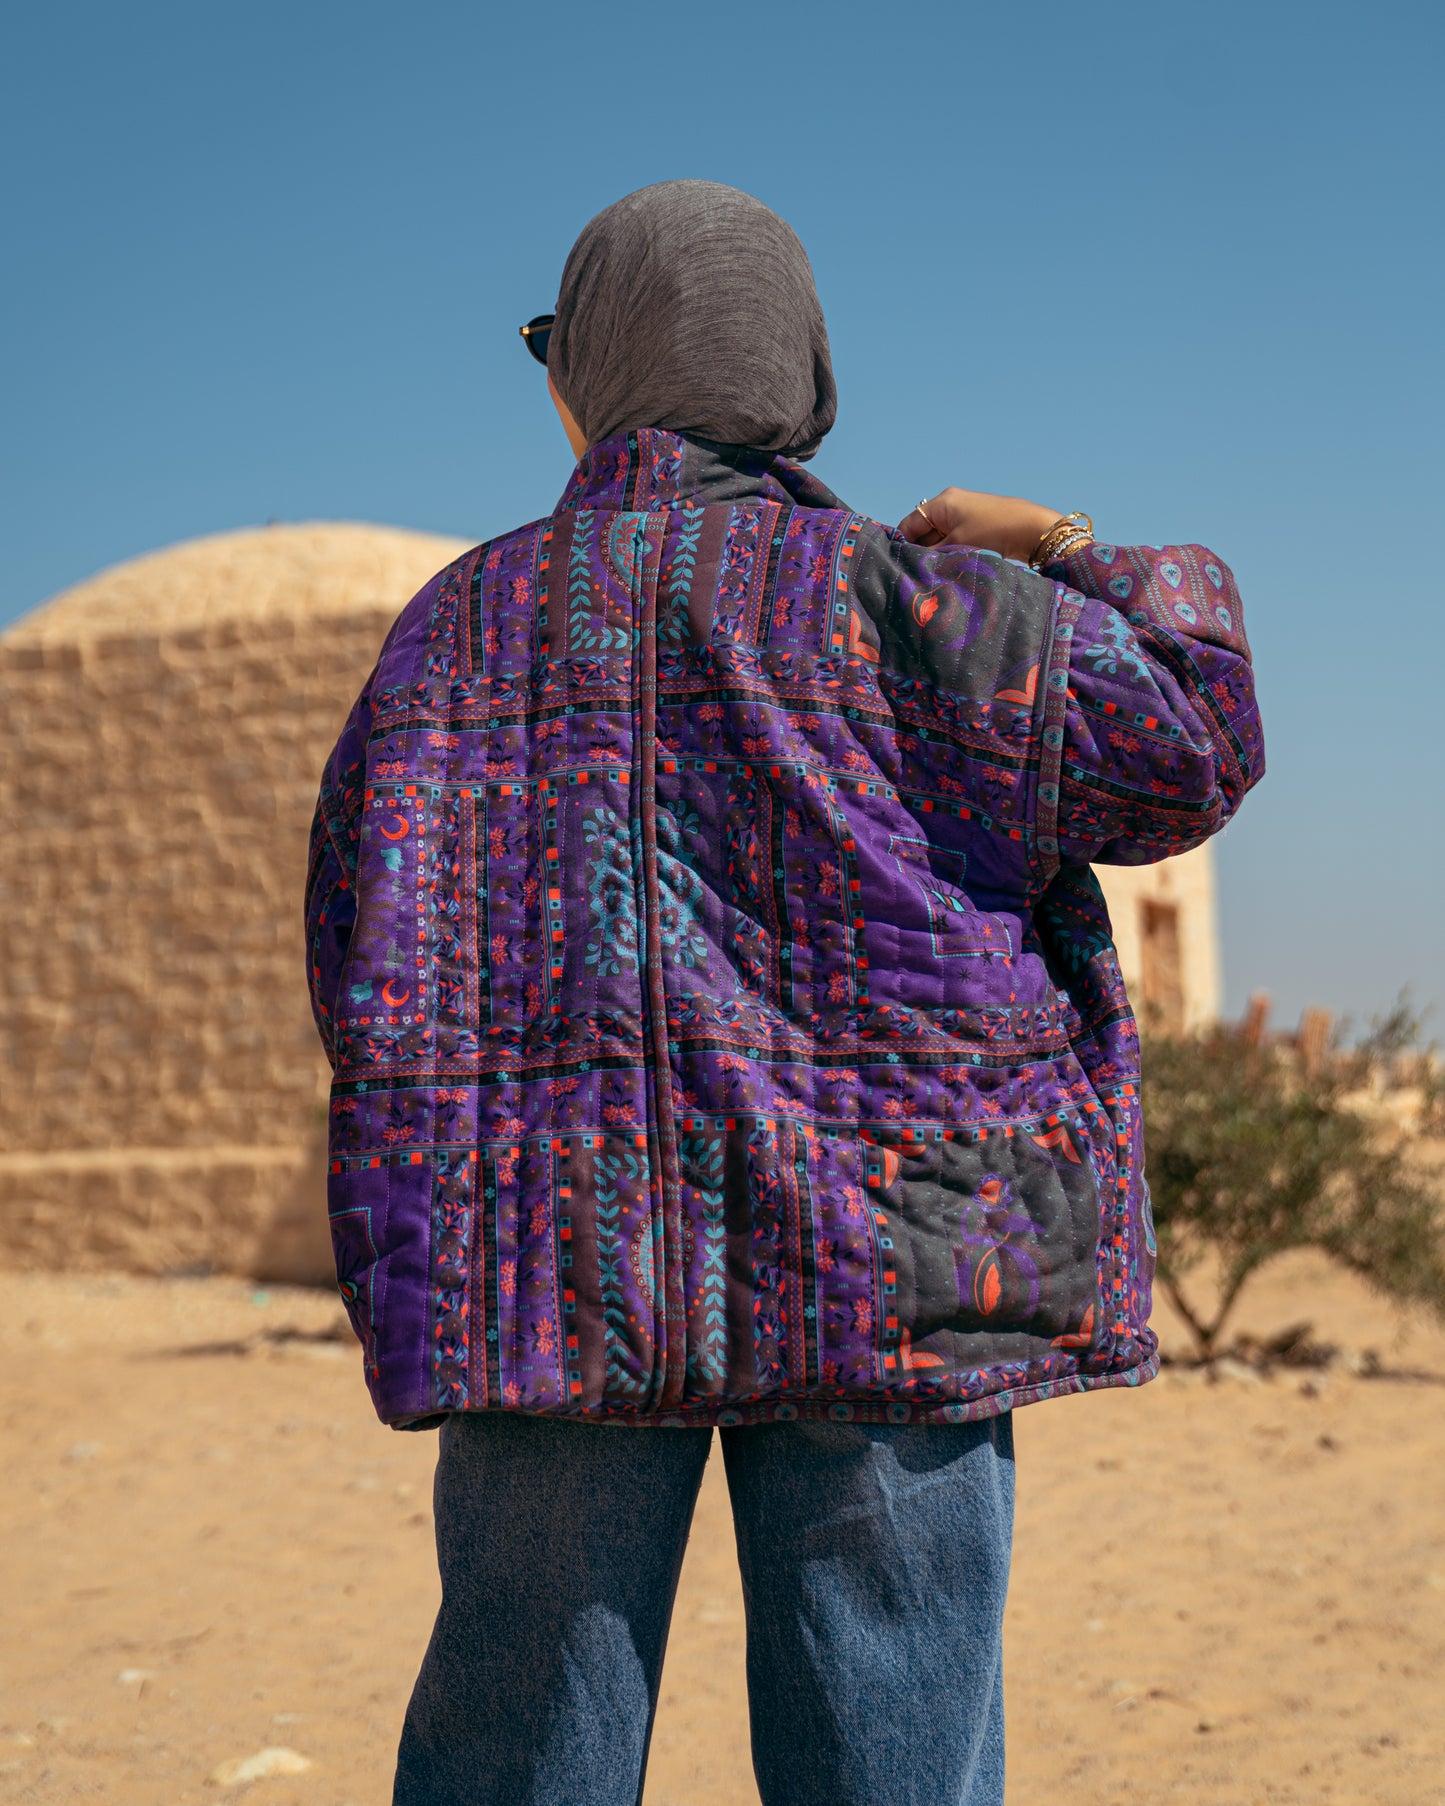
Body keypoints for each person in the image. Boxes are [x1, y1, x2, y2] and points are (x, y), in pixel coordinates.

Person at [305, 179, 1263, 1806]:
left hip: (550, 1253)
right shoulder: (924, 609)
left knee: (518, 1729)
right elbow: (1199, 734)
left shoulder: (448, 633)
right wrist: (1062, 546)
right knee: (894, 1734)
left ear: (588, 371)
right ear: (800, 373)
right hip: (905, 1250)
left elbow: (359, 947)